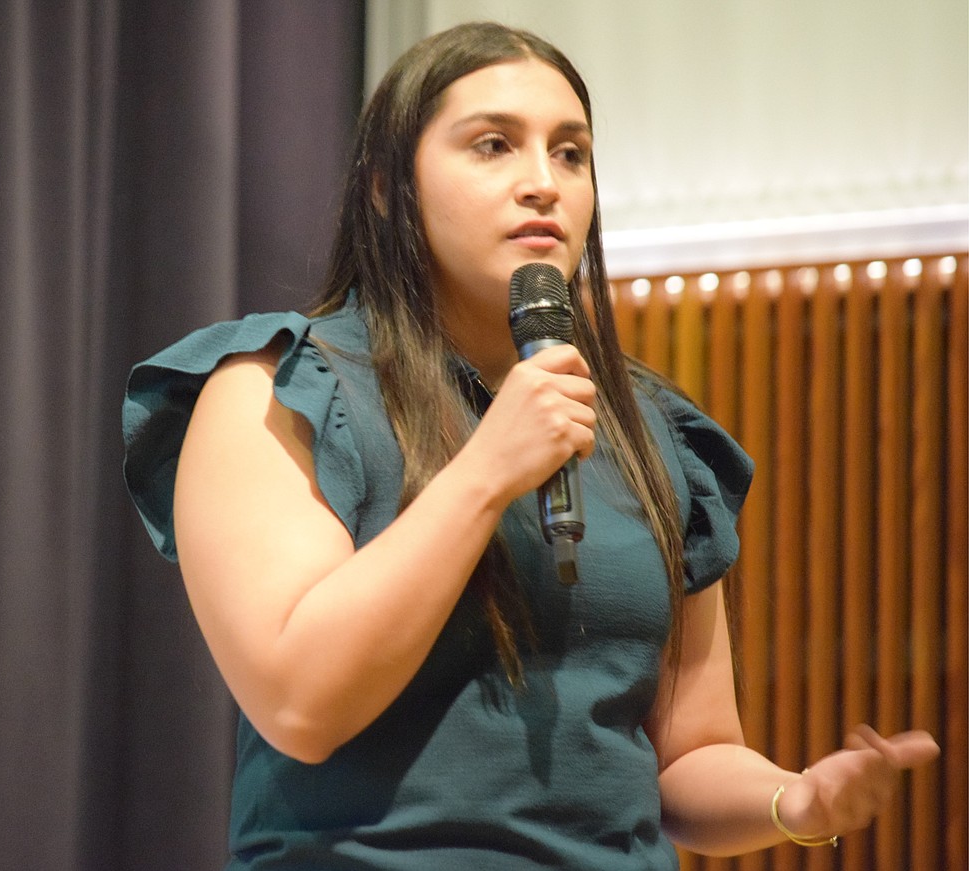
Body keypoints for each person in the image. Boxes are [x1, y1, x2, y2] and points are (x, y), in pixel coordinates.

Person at [122, 20, 939, 870]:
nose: (542, 183)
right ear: (383, 189)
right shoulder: (276, 387)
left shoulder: (649, 429)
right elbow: (299, 702)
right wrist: (486, 471)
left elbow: (689, 756)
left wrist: (795, 799)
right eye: (493, 146)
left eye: (572, 153)